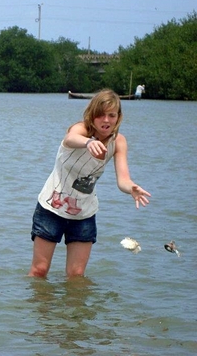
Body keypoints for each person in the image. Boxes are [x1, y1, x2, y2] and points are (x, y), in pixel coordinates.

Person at [27, 89, 151, 278]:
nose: (106, 120)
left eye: (112, 115)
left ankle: (74, 308)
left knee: (76, 276)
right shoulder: (81, 129)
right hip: (51, 208)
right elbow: (70, 138)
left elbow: (123, 180)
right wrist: (87, 143)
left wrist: (131, 189)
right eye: (101, 115)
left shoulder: (119, 142)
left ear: (118, 118)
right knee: (39, 271)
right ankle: (38, 308)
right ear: (92, 116)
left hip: (83, 214)